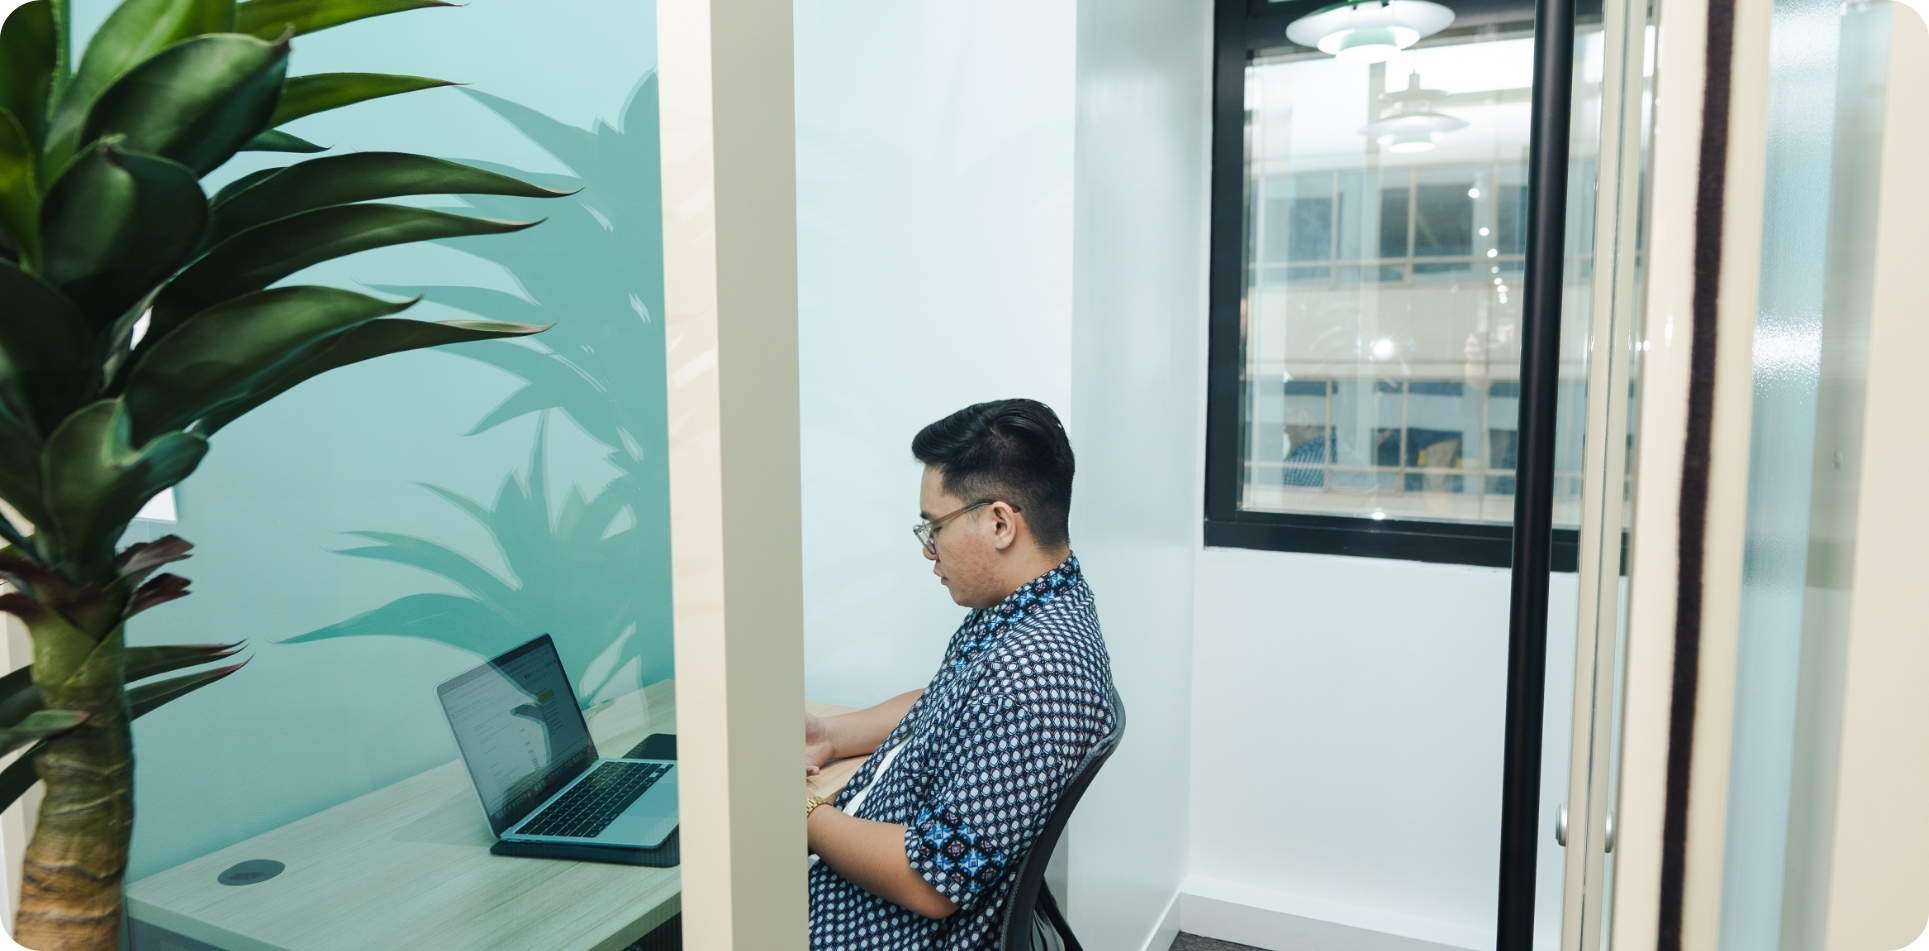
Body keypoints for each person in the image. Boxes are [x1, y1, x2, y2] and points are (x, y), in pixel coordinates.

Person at [805, 399, 1119, 950]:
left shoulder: (1036, 677)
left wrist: (802, 811)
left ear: (1000, 522)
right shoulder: (1035, 600)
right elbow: (948, 701)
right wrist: (834, 735)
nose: (928, 550)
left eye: (935, 527)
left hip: (885, 930)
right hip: (855, 874)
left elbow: (930, 882)